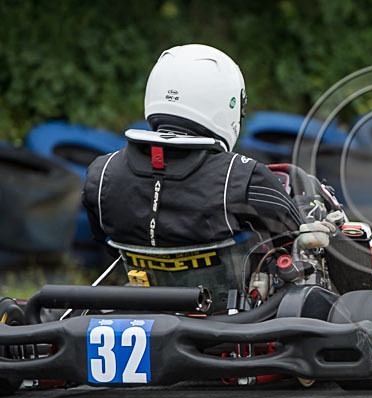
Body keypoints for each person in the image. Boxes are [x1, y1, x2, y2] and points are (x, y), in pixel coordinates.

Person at [82, 44, 307, 251]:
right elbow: (294, 238)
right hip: (227, 294)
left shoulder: (100, 173)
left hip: (141, 291)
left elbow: (106, 243)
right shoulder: (243, 178)